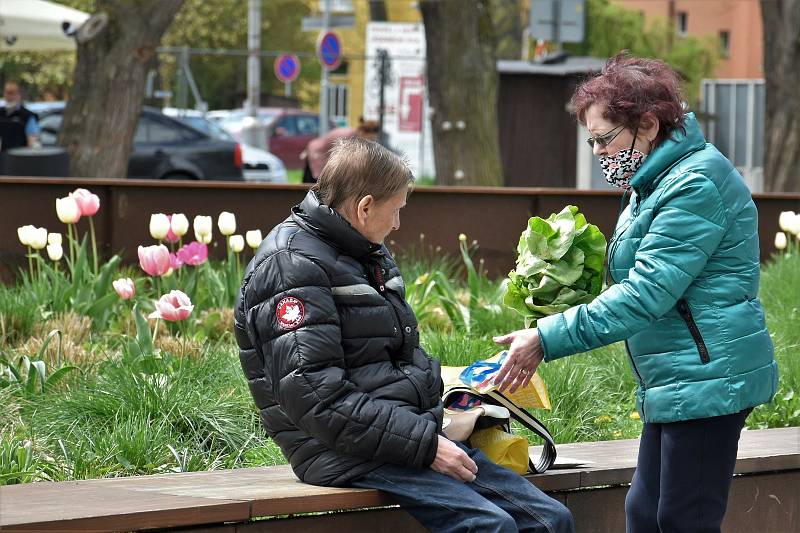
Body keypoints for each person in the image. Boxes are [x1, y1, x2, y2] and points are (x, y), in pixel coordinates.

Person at [493, 53, 778, 533]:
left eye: (605, 139)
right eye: (592, 143)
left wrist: (547, 337)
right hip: (677, 377)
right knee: (646, 515)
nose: (600, 153)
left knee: (682, 520)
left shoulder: (696, 183)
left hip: (708, 378)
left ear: (648, 124)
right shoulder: (653, 182)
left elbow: (646, 293)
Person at [235, 138, 574, 533]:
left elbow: (397, 356)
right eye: (395, 210)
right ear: (364, 207)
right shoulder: (290, 266)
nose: (398, 224)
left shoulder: (365, 250)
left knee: (551, 520)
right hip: (342, 449)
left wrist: (450, 408)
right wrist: (426, 445)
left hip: (403, 436)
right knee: (489, 527)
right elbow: (316, 397)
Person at [301, 117, 380, 183]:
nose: (371, 140)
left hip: (322, 151)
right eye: (371, 137)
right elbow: (343, 157)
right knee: (317, 181)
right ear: (364, 132)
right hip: (317, 152)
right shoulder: (349, 135)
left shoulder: (354, 135)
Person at [0, 81, 40, 151]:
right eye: (6, 92)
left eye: (11, 93)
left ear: (19, 95)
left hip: (19, 158)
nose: (8, 96)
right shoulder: (1, 113)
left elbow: (32, 142)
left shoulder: (27, 116)